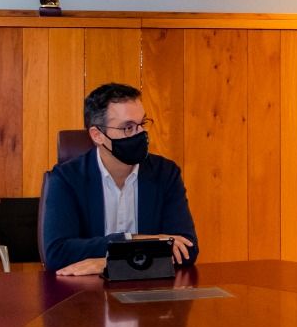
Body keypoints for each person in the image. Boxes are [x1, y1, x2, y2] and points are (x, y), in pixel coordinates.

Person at [42, 82, 198, 275]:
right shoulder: (66, 179)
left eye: (142, 124)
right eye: (128, 128)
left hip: (150, 295)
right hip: (86, 298)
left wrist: (107, 262)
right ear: (97, 135)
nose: (140, 133)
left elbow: (187, 249)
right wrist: (134, 240)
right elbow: (57, 253)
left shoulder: (165, 174)